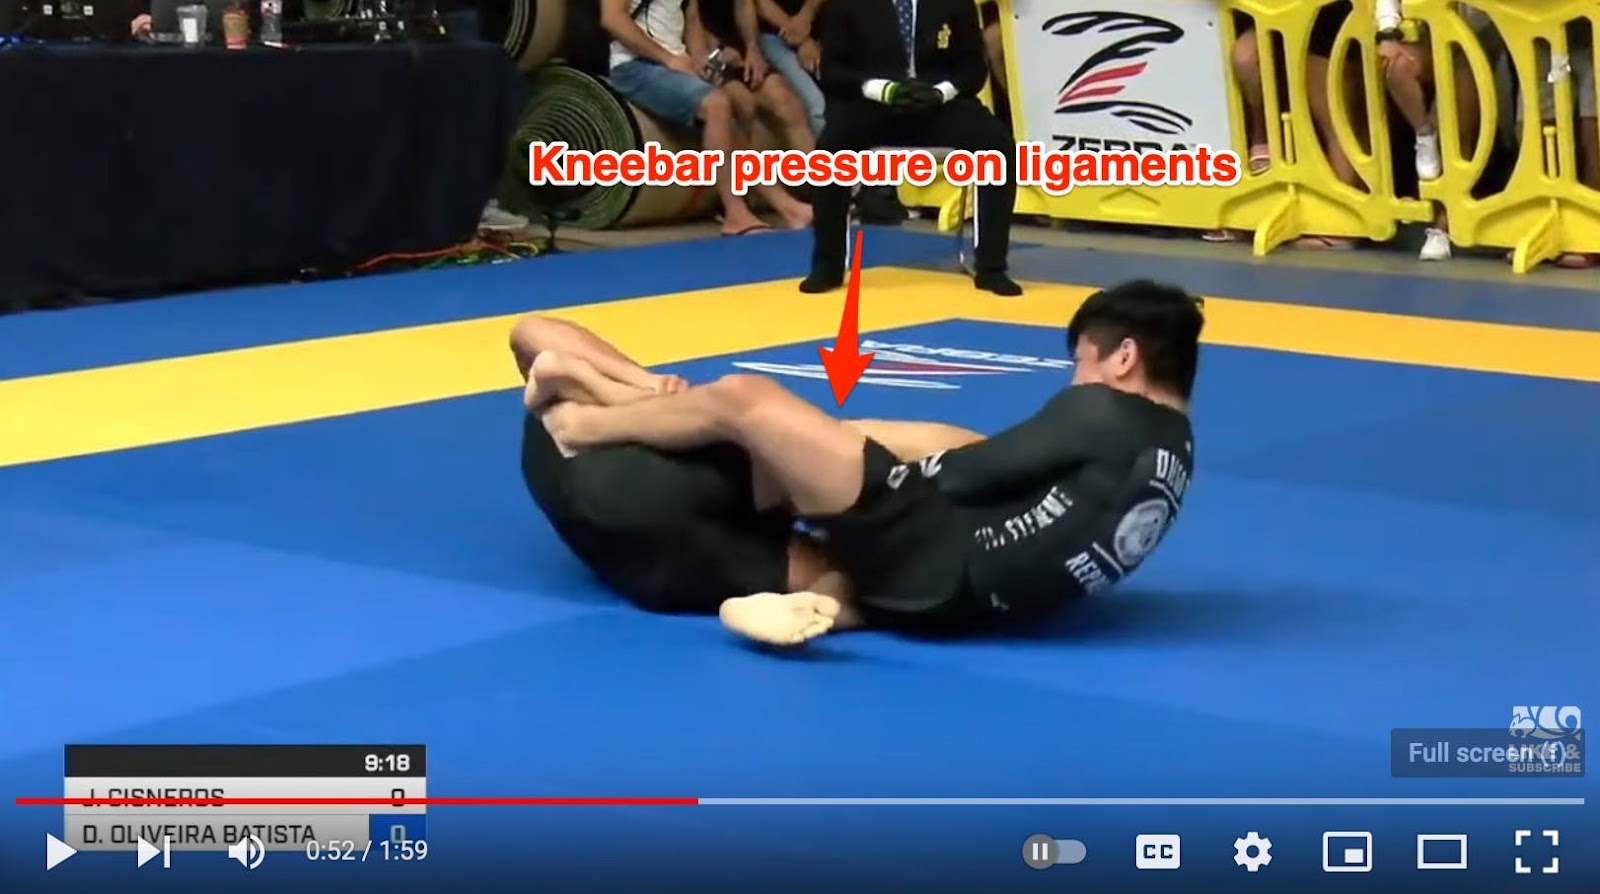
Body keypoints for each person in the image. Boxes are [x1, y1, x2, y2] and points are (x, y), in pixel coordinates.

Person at [545, 279, 1202, 645]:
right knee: (889, 440)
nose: (1077, 378)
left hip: (927, 555)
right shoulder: (1176, 448)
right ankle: (828, 604)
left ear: (1123, 357)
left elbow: (971, 474)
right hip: (967, 608)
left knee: (748, 402)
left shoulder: (1102, 410)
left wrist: (860, 476)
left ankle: (586, 423)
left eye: (1082, 361)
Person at [510, 313, 984, 615]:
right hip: (644, 521)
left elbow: (531, 332)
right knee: (842, 449)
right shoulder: (741, 524)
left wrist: (640, 386)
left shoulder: (728, 494)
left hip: (601, 462)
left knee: (828, 438)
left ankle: (610, 407)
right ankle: (612, 405)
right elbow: (836, 587)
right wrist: (827, 609)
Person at [801, 0, 1021, 297]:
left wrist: (941, 92)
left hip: (939, 104)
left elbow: (973, 69)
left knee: (998, 146)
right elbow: (833, 70)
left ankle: (992, 268)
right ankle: (827, 266)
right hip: (872, 103)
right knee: (830, 149)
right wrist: (882, 89)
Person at [601, 0, 812, 235]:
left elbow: (692, 22)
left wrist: (703, 62)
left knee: (733, 111)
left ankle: (790, 208)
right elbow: (612, 19)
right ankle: (735, 214)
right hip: (634, 66)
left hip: (675, 62)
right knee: (716, 105)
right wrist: (668, 58)